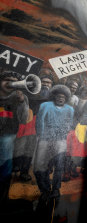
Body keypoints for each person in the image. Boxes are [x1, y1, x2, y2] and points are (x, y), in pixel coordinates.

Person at [34, 85, 74, 200]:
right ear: (54, 97)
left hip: (60, 140)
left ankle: (56, 189)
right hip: (45, 139)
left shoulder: (70, 109)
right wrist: (41, 136)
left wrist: (63, 134)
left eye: (63, 97)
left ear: (66, 98)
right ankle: (45, 189)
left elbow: (69, 124)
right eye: (58, 96)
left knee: (59, 165)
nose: (60, 98)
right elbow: (40, 121)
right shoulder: (45, 106)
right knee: (40, 165)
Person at [0, 71, 29, 207]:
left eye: (13, 81)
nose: (10, 83)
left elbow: (24, 119)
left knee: (5, 165)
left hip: (8, 134)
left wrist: (22, 101)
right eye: (6, 80)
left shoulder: (20, 97)